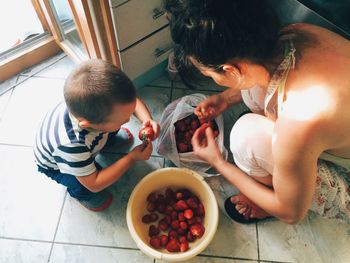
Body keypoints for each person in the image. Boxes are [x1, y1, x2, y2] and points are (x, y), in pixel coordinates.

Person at [164, 0, 350, 224]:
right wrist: (225, 98)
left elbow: (291, 213)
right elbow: (260, 74)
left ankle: (267, 199)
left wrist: (219, 162)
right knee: (253, 92)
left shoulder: (299, 123)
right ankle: (288, 167)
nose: (214, 80)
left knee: (245, 137)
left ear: (230, 70)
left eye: (209, 75)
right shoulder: (296, 32)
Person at [34, 59, 160, 211]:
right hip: (57, 166)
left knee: (111, 127)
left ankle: (106, 140)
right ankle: (80, 194)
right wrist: (131, 158)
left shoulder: (90, 107)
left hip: (93, 136)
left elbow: (132, 102)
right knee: (85, 185)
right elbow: (94, 183)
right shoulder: (71, 146)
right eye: (122, 120)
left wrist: (147, 119)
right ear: (88, 125)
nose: (128, 120)